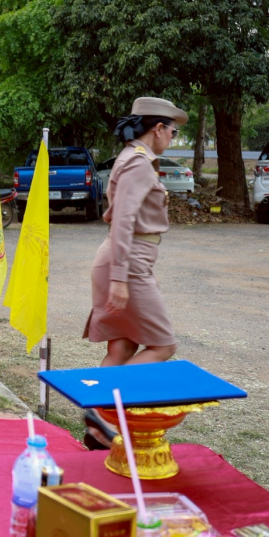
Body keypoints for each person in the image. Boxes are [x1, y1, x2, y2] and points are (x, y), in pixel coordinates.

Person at [84, 96, 188, 367]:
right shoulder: (138, 162)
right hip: (128, 263)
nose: (172, 137)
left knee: (123, 346)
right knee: (164, 346)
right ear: (158, 129)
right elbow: (122, 221)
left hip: (127, 260)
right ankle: (113, 396)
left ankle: (103, 396)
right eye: (173, 131)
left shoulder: (132, 157)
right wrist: (120, 279)